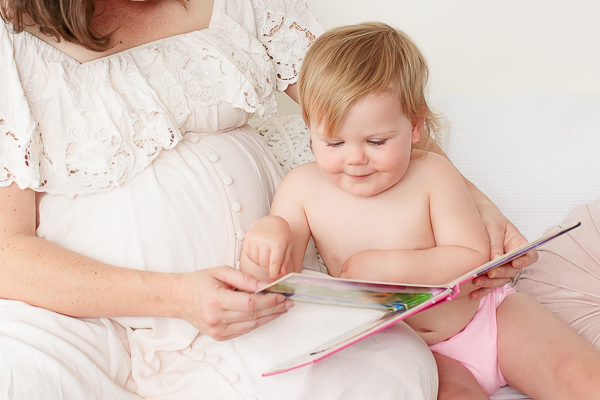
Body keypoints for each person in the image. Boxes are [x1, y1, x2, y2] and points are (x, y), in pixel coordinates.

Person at [0, 0, 531, 398]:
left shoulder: (242, 3)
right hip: (85, 325)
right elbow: (6, 252)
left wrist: (482, 209)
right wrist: (174, 296)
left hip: (261, 313)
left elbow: (370, 108)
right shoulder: (13, 44)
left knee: (390, 364)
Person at [241, 22, 600, 399]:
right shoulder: (300, 189)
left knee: (582, 378)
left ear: (415, 125)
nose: (355, 159)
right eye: (333, 142)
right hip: (410, 350)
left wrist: (382, 267)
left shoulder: (432, 173)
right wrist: (267, 237)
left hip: (489, 319)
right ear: (309, 127)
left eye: (377, 141)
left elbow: (470, 256)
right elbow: (281, 286)